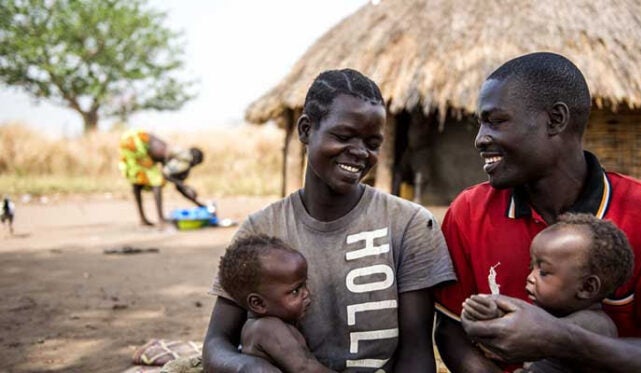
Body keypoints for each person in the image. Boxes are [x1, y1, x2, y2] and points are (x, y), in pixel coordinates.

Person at [433, 52, 641, 372]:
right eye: (480, 123)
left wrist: (560, 339)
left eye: (497, 121)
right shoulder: (468, 213)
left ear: (556, 120)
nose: (480, 139)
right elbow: (450, 331)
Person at [203, 68, 455, 372]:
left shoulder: (409, 225)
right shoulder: (262, 229)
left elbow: (416, 352)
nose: (360, 152)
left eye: (373, 143)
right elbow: (216, 344)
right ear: (306, 129)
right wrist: (251, 369)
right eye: (343, 136)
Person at [462, 212, 634, 372]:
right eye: (532, 267)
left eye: (543, 272)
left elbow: (533, 335)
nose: (530, 277)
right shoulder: (555, 316)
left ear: (586, 287)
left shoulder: (594, 325)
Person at [218, 234, 331, 372]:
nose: (306, 293)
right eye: (295, 291)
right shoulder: (269, 329)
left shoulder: (260, 326)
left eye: (304, 285)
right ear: (258, 303)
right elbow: (305, 368)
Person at [118, 129, 205, 226]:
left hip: (129, 139)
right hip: (138, 142)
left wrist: (200, 205)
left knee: (138, 181)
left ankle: (143, 219)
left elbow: (178, 187)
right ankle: (161, 220)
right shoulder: (185, 159)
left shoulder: (178, 155)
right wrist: (185, 186)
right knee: (157, 181)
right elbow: (166, 174)